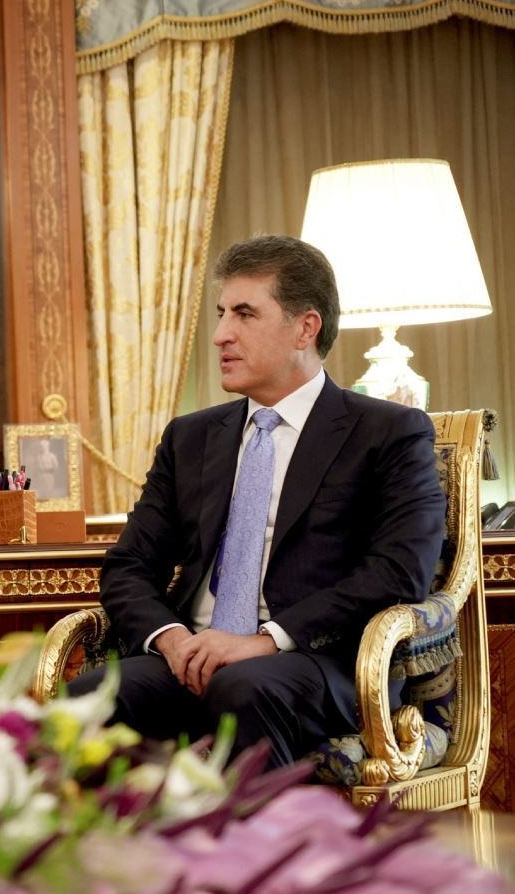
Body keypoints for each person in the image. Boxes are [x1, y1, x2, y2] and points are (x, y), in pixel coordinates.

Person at [68, 235, 445, 770]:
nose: (221, 334)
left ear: (305, 328)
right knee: (89, 698)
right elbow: (129, 564)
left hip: (315, 660)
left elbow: (398, 572)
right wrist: (172, 640)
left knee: (243, 689)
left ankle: (260, 829)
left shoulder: (388, 432)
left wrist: (266, 640)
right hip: (190, 655)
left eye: (245, 314)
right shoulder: (190, 437)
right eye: (222, 314)